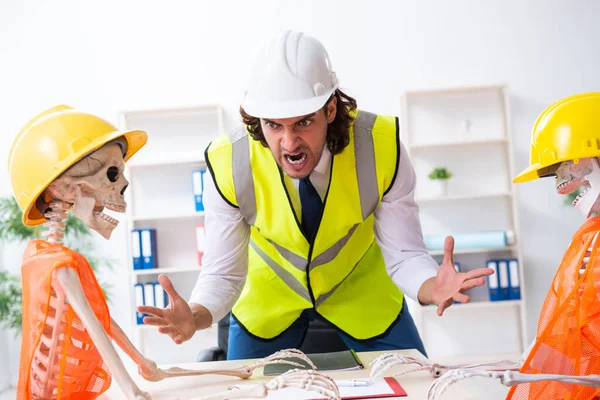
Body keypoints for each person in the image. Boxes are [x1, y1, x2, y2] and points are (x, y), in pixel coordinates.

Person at [138, 30, 494, 360]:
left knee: (418, 386)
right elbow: (223, 273)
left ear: (331, 109)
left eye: (303, 122)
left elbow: (404, 254)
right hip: (267, 308)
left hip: (365, 300)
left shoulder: (381, 147)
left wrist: (432, 287)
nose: (289, 143)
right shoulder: (228, 162)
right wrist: (197, 317)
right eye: (274, 125)